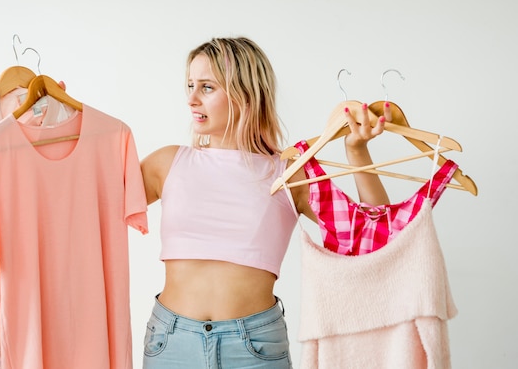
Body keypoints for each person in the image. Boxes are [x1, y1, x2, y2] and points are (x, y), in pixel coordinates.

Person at [139, 36, 391, 369]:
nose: (191, 99)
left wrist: (357, 152)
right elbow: (87, 205)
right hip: (171, 341)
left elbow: (375, 233)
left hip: (254, 346)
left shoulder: (289, 174)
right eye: (190, 85)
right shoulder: (167, 163)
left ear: (245, 94)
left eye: (207, 87)